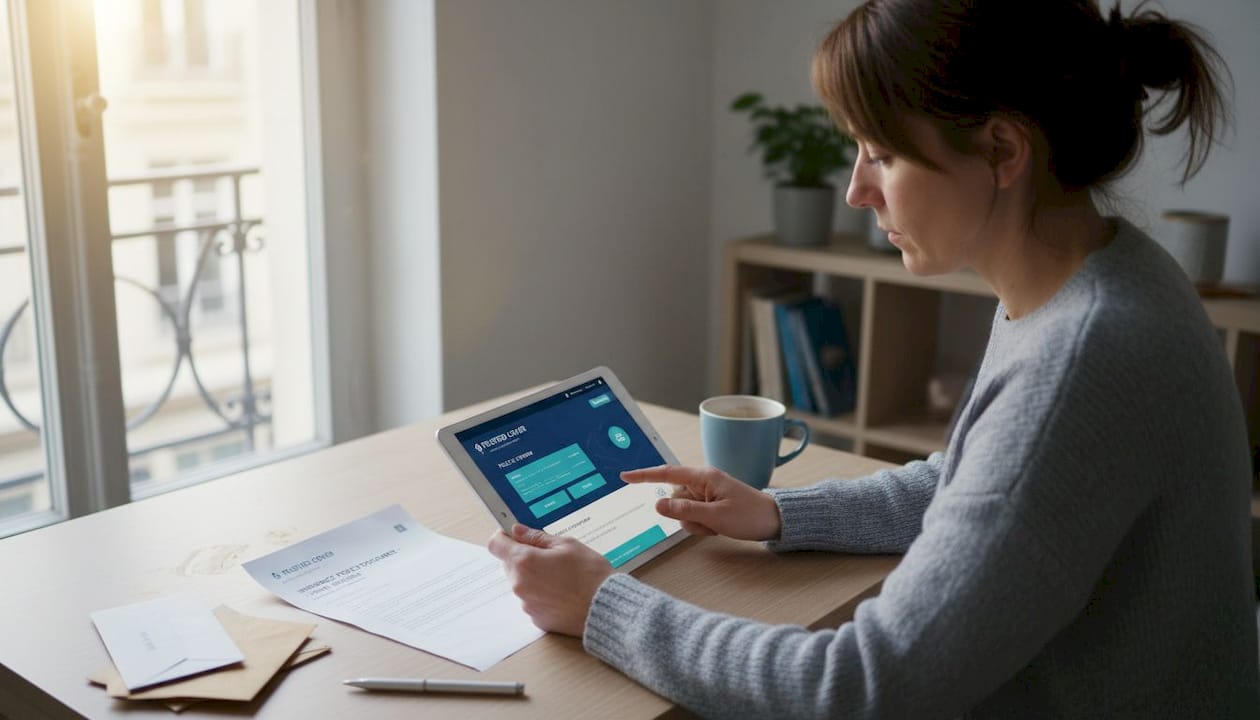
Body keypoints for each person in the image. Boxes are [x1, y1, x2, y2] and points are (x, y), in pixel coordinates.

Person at [487, 0, 1259, 716]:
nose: (857, 191)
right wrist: (780, 513)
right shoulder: (1102, 276)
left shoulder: (1084, 358)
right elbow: (978, 479)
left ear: (1001, 149)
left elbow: (865, 687)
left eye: (881, 155)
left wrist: (604, 607)